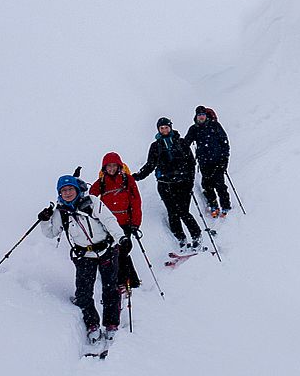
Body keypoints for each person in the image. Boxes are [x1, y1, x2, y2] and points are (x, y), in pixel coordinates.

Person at [38, 174, 126, 347]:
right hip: (84, 256)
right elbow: (51, 233)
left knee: (110, 289)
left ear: (77, 189)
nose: (68, 193)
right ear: (59, 193)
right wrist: (44, 220)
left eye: (70, 189)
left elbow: (109, 221)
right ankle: (92, 325)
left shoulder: (92, 202)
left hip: (106, 250)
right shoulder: (60, 212)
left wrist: (121, 238)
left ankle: (111, 324)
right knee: (83, 294)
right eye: (63, 190)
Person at [135, 117, 201, 250]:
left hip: (183, 183)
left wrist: (190, 181)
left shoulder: (181, 143)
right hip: (165, 184)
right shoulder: (155, 146)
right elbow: (150, 164)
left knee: (183, 211)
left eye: (166, 127)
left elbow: (191, 163)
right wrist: (137, 176)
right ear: (158, 130)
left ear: (170, 127)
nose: (164, 130)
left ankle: (196, 235)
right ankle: (180, 238)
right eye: (161, 128)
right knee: (172, 212)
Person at [89, 152, 143, 291]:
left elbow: (136, 202)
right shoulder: (101, 182)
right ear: (104, 168)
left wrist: (135, 224)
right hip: (108, 224)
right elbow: (91, 197)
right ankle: (131, 280)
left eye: (114, 165)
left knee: (122, 251)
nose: (111, 169)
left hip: (125, 222)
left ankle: (124, 281)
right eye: (108, 166)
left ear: (119, 166)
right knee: (116, 251)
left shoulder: (128, 180)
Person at [184, 106, 231, 218]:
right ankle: (213, 205)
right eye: (199, 115)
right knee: (207, 184)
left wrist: (225, 159)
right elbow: (186, 143)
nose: (201, 117)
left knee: (220, 184)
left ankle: (225, 205)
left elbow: (224, 142)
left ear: (206, 116)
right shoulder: (194, 129)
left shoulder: (215, 126)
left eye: (203, 115)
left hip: (218, 160)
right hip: (204, 162)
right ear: (196, 116)